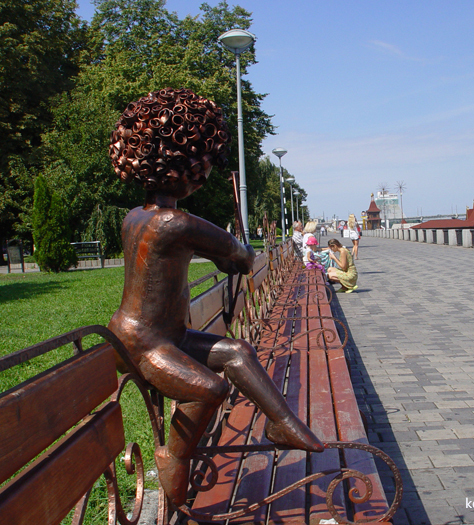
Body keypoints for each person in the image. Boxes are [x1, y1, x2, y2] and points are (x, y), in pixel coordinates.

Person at [107, 88, 322, 506]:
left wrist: (228, 257)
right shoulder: (174, 222)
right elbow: (239, 253)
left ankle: (282, 424)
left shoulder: (136, 216)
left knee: (237, 352)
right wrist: (235, 256)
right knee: (208, 388)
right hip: (143, 344)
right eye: (200, 166)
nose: (203, 176)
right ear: (179, 165)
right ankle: (174, 459)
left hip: (164, 335)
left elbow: (215, 254)